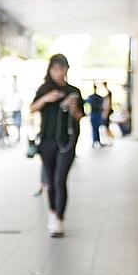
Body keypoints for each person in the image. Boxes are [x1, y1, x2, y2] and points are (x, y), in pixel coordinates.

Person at [30, 53, 84, 237]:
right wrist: (46, 99)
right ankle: (52, 213)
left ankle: (59, 218)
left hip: (67, 142)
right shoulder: (44, 89)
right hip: (46, 140)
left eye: (62, 68)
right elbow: (32, 109)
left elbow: (80, 116)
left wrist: (73, 107)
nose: (59, 72)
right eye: (55, 69)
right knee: (50, 180)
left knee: (60, 179)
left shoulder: (73, 91)